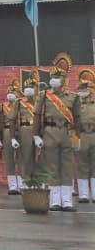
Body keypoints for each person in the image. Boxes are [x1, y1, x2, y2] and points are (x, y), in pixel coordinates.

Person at [37, 66, 77, 211]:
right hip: (50, 133)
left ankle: (66, 202)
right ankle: (55, 201)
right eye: (53, 77)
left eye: (58, 77)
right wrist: (36, 135)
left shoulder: (73, 97)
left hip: (66, 133)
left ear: (64, 79)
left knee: (66, 167)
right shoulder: (44, 95)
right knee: (53, 167)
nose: (54, 79)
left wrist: (77, 136)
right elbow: (37, 115)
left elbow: (77, 117)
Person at [0, 80, 24, 195]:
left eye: (13, 91)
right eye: (9, 91)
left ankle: (22, 185)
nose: (10, 93)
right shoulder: (2, 107)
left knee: (21, 159)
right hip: (7, 132)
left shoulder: (22, 104)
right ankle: (12, 186)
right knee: (9, 159)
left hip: (20, 131)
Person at [16, 77, 40, 189]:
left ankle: (40, 181)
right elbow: (11, 119)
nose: (28, 89)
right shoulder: (20, 103)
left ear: (36, 88)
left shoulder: (41, 101)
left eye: (31, 87)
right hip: (26, 129)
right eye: (26, 87)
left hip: (40, 130)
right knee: (26, 157)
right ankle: (26, 181)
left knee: (42, 156)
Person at [74, 71, 95, 204]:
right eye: (80, 89)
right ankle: (83, 194)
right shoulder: (75, 105)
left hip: (94, 134)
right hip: (81, 135)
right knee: (81, 165)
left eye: (85, 89)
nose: (82, 91)